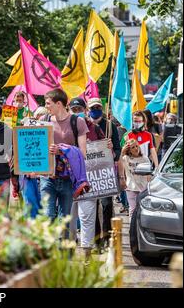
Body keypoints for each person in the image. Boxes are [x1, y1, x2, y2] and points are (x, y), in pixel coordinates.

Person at [40, 89, 88, 226]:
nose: (46, 106)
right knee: (47, 217)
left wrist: (61, 150)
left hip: (67, 178)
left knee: (64, 220)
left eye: (48, 103)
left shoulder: (77, 122)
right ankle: (49, 247)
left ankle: (63, 247)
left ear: (59, 104)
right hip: (47, 177)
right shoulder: (44, 120)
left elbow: (82, 153)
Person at [68, 97, 106, 258]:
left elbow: (104, 151)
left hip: (89, 179)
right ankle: (68, 251)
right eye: (74, 110)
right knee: (68, 219)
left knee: (87, 218)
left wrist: (107, 146)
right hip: (68, 181)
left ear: (85, 110)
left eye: (79, 110)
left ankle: (86, 254)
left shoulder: (95, 129)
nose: (77, 113)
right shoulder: (66, 128)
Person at [87, 98, 120, 251]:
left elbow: (119, 152)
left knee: (106, 205)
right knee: (92, 207)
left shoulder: (110, 126)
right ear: (88, 109)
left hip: (105, 173)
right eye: (92, 107)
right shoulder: (84, 125)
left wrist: (112, 150)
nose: (95, 109)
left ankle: (107, 238)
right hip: (89, 173)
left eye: (98, 107)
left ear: (102, 108)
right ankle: (96, 240)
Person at [119, 139, 150, 216]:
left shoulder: (145, 159)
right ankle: (132, 227)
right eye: (133, 147)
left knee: (142, 210)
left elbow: (149, 175)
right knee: (132, 209)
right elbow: (119, 162)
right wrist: (122, 151)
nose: (136, 148)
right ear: (129, 150)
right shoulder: (126, 158)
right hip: (131, 187)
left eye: (137, 146)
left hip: (143, 188)